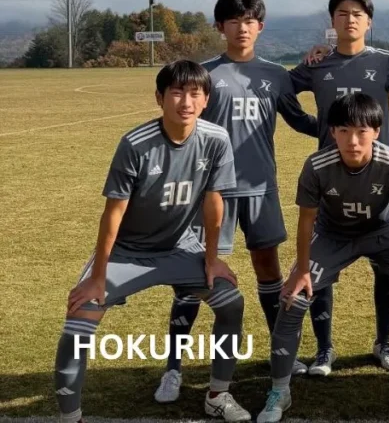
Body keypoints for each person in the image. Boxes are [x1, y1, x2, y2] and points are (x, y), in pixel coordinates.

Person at [56, 60, 250, 423]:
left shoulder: (216, 139)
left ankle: (217, 395)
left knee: (231, 303)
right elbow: (113, 215)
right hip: (127, 253)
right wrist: (97, 277)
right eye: (176, 93)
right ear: (159, 98)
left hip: (180, 247)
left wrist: (212, 258)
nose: (186, 102)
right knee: (79, 320)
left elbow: (213, 203)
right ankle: (71, 417)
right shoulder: (135, 143)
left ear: (206, 99)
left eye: (195, 93)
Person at [155, 0, 318, 403]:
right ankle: (173, 368)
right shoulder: (205, 75)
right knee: (195, 277)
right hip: (212, 192)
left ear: (260, 27)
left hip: (261, 188)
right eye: (233, 21)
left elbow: (299, 120)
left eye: (249, 21)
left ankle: (281, 352)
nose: (241, 28)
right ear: (220, 27)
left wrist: (345, 127)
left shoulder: (276, 74)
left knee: (268, 270)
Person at [256, 93, 389, 423]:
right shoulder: (317, 165)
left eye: (361, 131)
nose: (352, 141)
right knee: (293, 298)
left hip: (382, 232)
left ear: (376, 131)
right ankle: (279, 390)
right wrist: (302, 268)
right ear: (332, 132)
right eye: (344, 131)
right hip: (333, 235)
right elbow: (306, 221)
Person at [288, 0, 389, 375]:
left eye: (358, 14)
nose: (350, 20)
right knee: (321, 270)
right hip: (331, 178)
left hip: (380, 178)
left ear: (369, 22)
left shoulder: (384, 62)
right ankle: (324, 349)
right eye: (342, 13)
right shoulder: (317, 64)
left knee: (387, 268)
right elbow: (281, 92)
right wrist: (312, 126)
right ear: (332, 21)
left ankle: (384, 342)